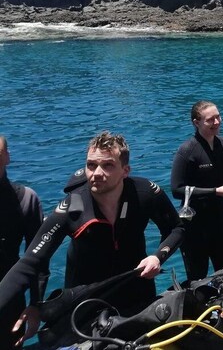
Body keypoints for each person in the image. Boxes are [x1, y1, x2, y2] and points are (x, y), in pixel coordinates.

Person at [0, 131, 184, 341]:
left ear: (125, 171)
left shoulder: (145, 193)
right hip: (85, 301)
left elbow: (176, 229)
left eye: (107, 165)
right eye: (91, 165)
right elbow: (31, 262)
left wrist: (157, 257)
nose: (96, 173)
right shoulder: (73, 207)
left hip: (137, 290)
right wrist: (34, 303)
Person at [171, 101, 223, 281]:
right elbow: (176, 189)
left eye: (218, 117)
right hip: (195, 224)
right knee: (197, 278)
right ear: (197, 123)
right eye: (211, 120)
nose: (217, 122)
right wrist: (215, 191)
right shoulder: (187, 150)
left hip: (220, 219)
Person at [0, 136, 48, 349]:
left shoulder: (26, 200)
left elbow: (39, 259)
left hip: (10, 311)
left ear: (7, 157)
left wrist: (35, 305)